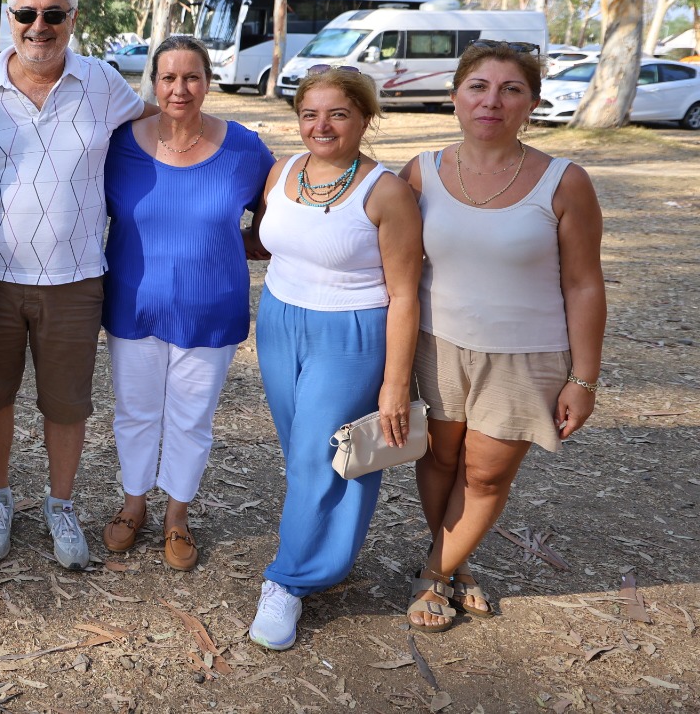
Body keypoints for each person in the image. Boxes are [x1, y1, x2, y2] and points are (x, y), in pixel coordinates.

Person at [400, 42, 604, 632]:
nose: (492, 101)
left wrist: (583, 378)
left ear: (532, 103)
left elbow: (585, 285)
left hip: (526, 356)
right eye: (478, 87)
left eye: (511, 89)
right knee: (440, 458)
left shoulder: (565, 182)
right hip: (437, 344)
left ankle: (435, 573)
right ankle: (456, 564)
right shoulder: (422, 171)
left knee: (485, 474)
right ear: (455, 96)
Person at [0, 0, 153, 570]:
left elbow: (161, 125)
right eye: (26, 14)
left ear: (73, 19)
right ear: (8, 18)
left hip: (75, 279)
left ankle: (61, 504)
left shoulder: (103, 83)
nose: (38, 27)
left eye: (54, 15)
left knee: (67, 405)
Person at [248, 66, 422, 650]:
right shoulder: (284, 171)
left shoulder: (386, 192)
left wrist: (395, 384)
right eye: (309, 114)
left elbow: (403, 295)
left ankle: (288, 582)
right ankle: (326, 552)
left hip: (351, 332)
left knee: (314, 459)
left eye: (338, 114)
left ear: (365, 118)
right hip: (278, 322)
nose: (321, 126)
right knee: (315, 454)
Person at [100, 36, 274, 570]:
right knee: (135, 413)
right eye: (169, 78)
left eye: (192, 77)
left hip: (210, 307)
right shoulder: (119, 146)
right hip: (134, 303)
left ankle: (178, 515)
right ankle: (135, 505)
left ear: (208, 81)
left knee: (191, 418)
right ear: (153, 83)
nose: (180, 88)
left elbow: (277, 203)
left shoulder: (244, 148)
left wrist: (254, 241)